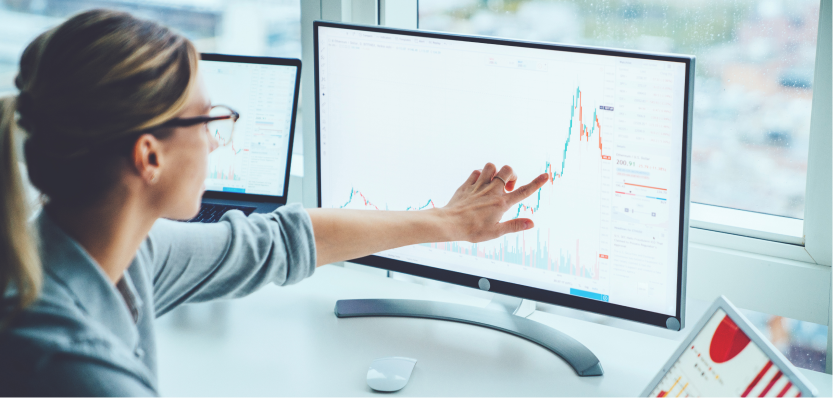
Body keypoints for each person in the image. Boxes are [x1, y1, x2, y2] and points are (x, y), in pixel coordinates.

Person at [0, 9, 548, 397]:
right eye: (210, 120)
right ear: (149, 157)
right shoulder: (65, 364)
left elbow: (279, 242)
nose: (218, 139)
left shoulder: (106, 250)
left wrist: (445, 221)